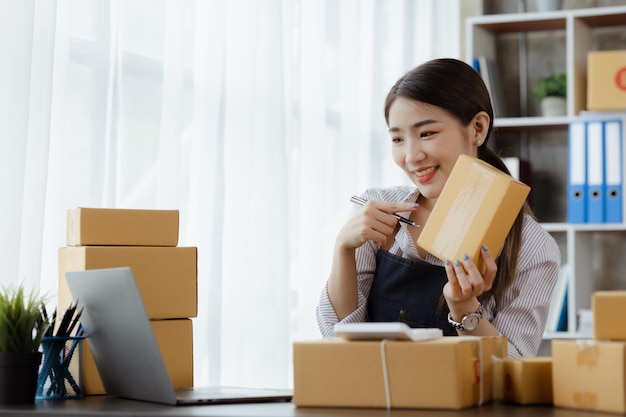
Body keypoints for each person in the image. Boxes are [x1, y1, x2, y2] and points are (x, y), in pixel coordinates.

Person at [316, 58, 561, 358]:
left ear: (478, 129)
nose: (411, 155)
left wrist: (463, 306)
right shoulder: (377, 210)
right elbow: (338, 337)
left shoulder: (533, 247)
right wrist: (343, 248)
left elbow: (512, 367)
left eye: (426, 133)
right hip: (373, 399)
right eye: (397, 138)